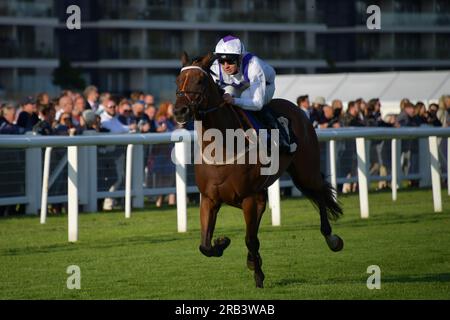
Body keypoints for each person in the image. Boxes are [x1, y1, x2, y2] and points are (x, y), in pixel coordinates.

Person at [210, 35, 293, 153]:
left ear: (239, 58)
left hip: (266, 86)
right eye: (221, 61)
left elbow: (257, 103)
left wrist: (234, 101)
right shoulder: (215, 67)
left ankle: (276, 131)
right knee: (226, 96)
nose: (225, 66)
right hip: (239, 86)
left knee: (245, 97)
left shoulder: (253, 66)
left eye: (230, 61)